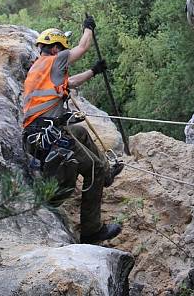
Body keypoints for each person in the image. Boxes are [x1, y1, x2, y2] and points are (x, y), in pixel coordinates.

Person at [21, 16, 122, 244]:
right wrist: (88, 29)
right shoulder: (56, 60)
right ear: (56, 48)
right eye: (62, 48)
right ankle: (91, 230)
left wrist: (93, 72)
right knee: (92, 168)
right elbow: (83, 47)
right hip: (50, 135)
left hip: (37, 135)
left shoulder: (39, 69)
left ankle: (106, 175)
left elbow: (70, 82)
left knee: (81, 132)